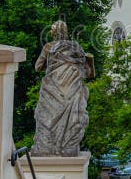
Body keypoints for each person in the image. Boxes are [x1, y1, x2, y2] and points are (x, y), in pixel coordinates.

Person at [31, 20, 93, 156]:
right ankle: (66, 148)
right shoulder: (76, 48)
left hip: (51, 90)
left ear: (54, 33)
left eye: (52, 30)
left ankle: (47, 147)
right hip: (71, 91)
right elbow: (88, 72)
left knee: (46, 118)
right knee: (72, 119)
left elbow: (37, 67)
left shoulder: (49, 47)